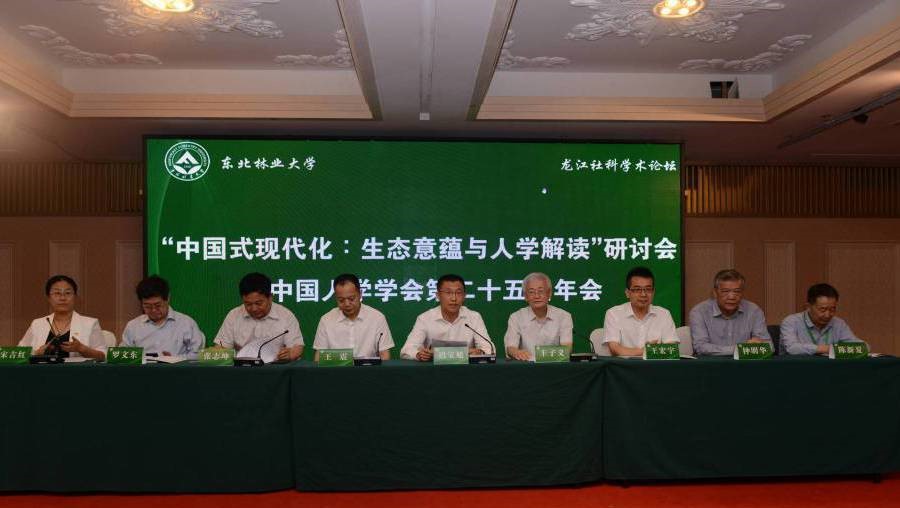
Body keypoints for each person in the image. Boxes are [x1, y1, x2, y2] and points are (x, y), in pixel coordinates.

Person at [400, 274, 493, 361]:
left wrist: (480, 352)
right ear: (438, 296)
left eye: (458, 293)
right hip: (433, 371)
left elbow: (489, 348)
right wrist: (418, 354)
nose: (454, 298)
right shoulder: (425, 318)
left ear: (464, 296)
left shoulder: (474, 317)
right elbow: (406, 350)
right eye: (448, 293)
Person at [213, 272, 304, 361]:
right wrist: (219, 352)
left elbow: (297, 347)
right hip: (242, 367)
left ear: (270, 297)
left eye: (258, 303)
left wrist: (290, 354)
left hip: (275, 367)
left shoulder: (286, 316)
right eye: (248, 304)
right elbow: (221, 347)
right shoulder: (234, 315)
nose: (254, 309)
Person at [19, 275, 106, 360]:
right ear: (48, 298)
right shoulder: (37, 324)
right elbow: (19, 353)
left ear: (75, 297)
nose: (62, 298)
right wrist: (36, 353)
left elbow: (104, 355)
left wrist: (82, 349)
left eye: (68, 293)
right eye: (57, 293)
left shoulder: (90, 323)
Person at [689, 269, 771, 355]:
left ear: (742, 293)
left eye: (737, 291)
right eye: (725, 291)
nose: (731, 297)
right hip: (711, 362)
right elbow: (700, 347)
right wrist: (741, 349)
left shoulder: (753, 311)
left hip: (744, 363)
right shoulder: (699, 312)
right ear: (715, 293)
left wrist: (758, 346)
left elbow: (769, 346)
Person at [313, 273, 394, 361]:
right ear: (335, 298)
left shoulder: (377, 318)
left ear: (360, 294)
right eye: (341, 300)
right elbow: (319, 357)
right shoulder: (326, 320)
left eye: (351, 299)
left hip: (368, 369)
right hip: (336, 369)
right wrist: (345, 360)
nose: (347, 304)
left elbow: (384, 355)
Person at [121, 275, 205, 359]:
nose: (153, 310)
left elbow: (199, 355)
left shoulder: (186, 323)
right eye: (147, 306)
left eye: (158, 305)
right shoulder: (133, 326)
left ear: (168, 298)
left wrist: (175, 359)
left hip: (176, 367)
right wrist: (140, 358)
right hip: (142, 367)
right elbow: (121, 355)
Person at [603, 266, 677, 356]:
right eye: (637, 289)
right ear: (627, 293)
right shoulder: (613, 314)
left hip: (655, 365)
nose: (643, 294)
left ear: (653, 292)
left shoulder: (664, 314)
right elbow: (615, 349)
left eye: (648, 289)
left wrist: (647, 351)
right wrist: (647, 350)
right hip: (624, 365)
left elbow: (671, 349)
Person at [780, 283, 865, 355]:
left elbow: (863, 347)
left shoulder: (838, 323)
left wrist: (834, 349)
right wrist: (829, 349)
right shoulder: (791, 322)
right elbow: (792, 348)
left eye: (832, 310)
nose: (827, 315)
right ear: (808, 307)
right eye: (823, 309)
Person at [504, 272, 573, 361]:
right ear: (525, 296)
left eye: (541, 291)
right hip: (526, 366)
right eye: (531, 292)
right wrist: (516, 352)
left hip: (555, 365)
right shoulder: (516, 317)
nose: (536, 296)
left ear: (549, 293)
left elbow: (566, 349)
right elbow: (510, 348)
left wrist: (538, 357)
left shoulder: (564, 316)